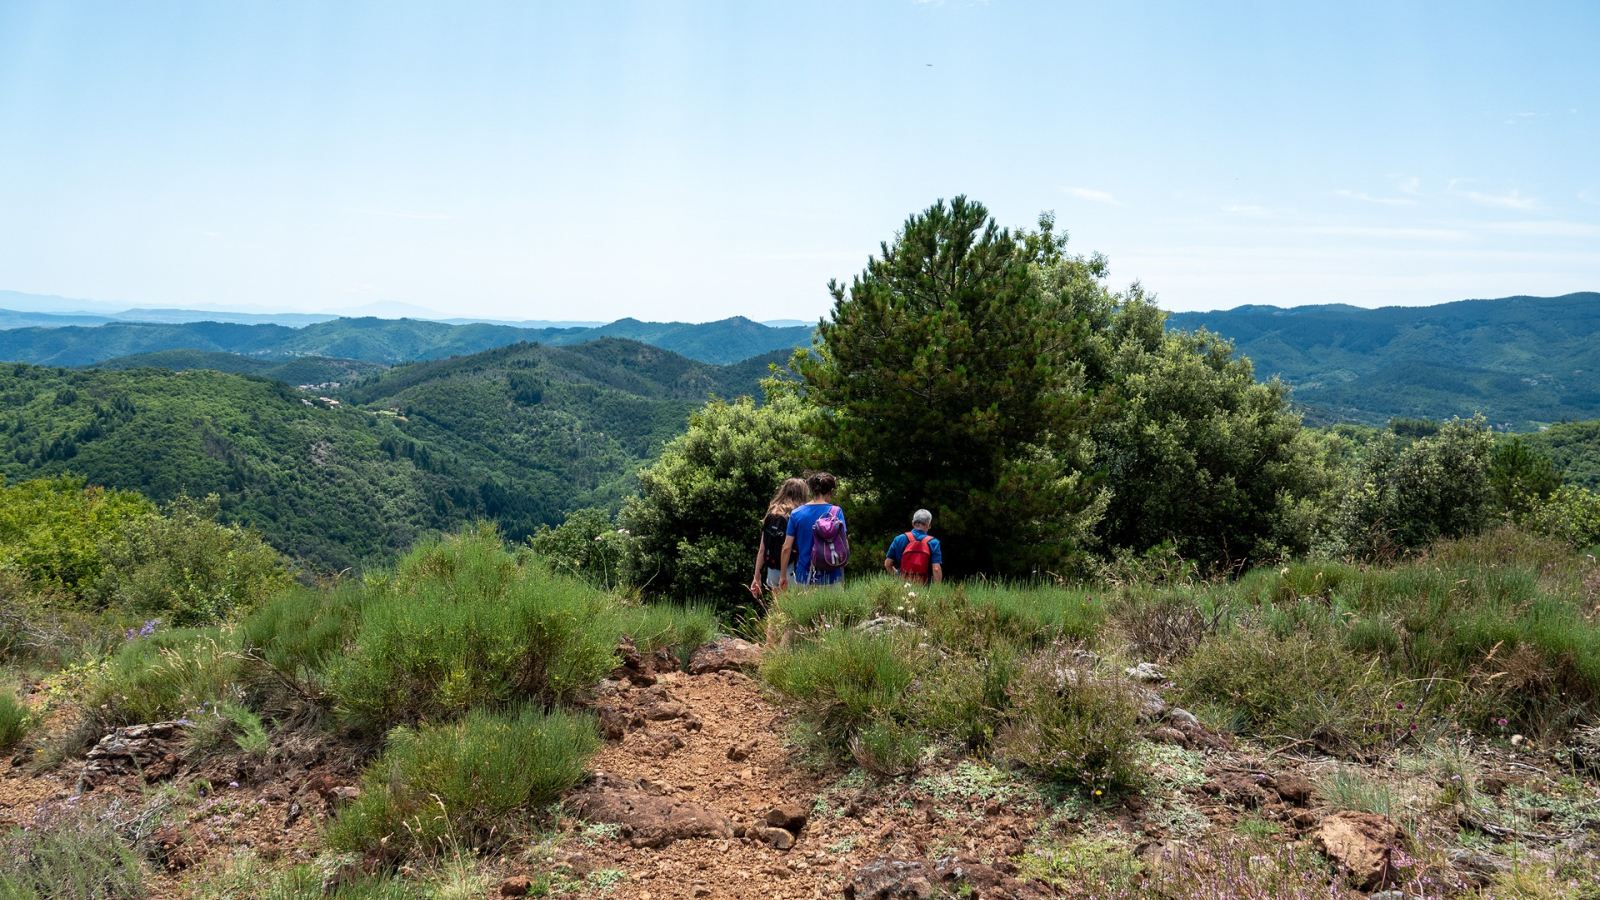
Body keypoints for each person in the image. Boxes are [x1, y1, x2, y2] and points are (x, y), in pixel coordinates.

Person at [779, 472, 847, 589]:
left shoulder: (796, 513)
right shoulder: (836, 512)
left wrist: (783, 576)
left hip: (805, 577)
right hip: (832, 577)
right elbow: (845, 546)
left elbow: (786, 548)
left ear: (811, 490)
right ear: (830, 491)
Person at [750, 477, 808, 598]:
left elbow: (762, 548)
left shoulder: (772, 513)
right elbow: (790, 547)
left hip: (772, 567)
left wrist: (757, 576)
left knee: (778, 608)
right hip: (790, 568)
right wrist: (784, 575)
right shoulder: (797, 514)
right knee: (792, 608)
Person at [884, 508, 943, 584]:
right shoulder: (933, 542)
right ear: (928, 524)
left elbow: (888, 564)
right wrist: (936, 592)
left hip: (903, 586)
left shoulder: (899, 539)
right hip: (925, 587)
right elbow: (936, 569)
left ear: (913, 523)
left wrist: (898, 576)